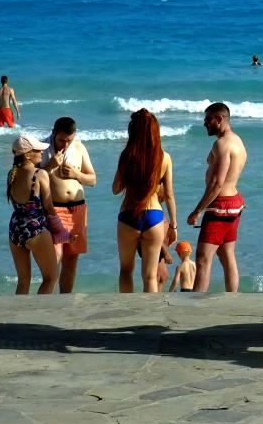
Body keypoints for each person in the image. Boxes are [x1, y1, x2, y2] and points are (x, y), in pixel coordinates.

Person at [112, 109, 178, 293]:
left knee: (126, 270)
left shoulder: (127, 156)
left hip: (129, 215)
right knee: (150, 276)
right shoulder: (165, 158)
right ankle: (150, 317)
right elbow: (170, 195)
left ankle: (128, 314)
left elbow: (116, 189)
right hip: (154, 217)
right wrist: (173, 225)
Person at [187, 103, 247, 292]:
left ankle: (195, 307)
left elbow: (216, 183)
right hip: (234, 203)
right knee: (227, 255)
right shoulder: (237, 140)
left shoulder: (222, 144)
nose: (205, 124)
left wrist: (197, 210)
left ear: (219, 119)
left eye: (208, 119)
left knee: (203, 259)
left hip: (220, 207)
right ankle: (233, 299)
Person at [6, 135, 69, 294]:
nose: (42, 152)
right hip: (35, 229)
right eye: (38, 150)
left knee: (23, 282)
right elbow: (48, 206)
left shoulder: (11, 175)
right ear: (27, 155)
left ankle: (17, 315)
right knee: (51, 278)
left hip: (15, 229)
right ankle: (37, 314)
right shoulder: (40, 174)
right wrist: (60, 229)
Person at [41, 117, 96, 293]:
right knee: (54, 260)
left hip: (77, 210)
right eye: (61, 140)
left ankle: (65, 301)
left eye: (69, 140)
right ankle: (47, 303)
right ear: (53, 132)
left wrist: (76, 174)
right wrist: (49, 166)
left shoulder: (79, 147)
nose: (65, 144)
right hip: (54, 209)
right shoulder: (41, 149)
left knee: (71, 262)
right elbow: (32, 180)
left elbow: (93, 180)